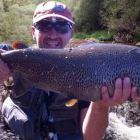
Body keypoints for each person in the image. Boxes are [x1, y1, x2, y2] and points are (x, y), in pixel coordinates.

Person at [0, 1, 138, 140]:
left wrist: (100, 105)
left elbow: (90, 138)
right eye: (45, 26)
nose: (53, 34)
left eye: (62, 27)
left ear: (70, 32)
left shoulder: (86, 66)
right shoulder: (15, 55)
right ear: (33, 32)